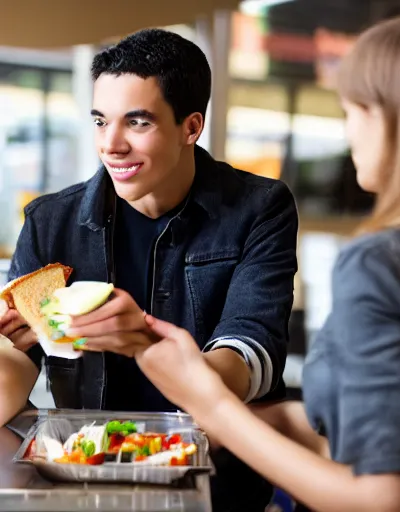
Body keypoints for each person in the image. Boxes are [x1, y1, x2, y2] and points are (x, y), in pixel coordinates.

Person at [133, 14, 400, 512]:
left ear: (396, 118)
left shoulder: (384, 266)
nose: (347, 128)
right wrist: (279, 421)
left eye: (353, 108)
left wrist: (214, 406)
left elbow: (388, 499)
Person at [0, 29, 298, 511]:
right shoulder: (49, 221)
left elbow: (251, 361)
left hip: (217, 484)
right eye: (100, 121)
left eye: (137, 123)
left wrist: (143, 340)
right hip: (83, 483)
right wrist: (2, 344)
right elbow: (16, 373)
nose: (110, 145)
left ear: (191, 126)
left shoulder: (259, 209)